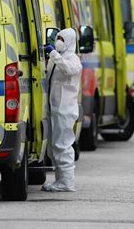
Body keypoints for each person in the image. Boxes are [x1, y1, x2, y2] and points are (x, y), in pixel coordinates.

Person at [42, 28, 82, 192]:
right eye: (57, 38)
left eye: (61, 39)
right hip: (55, 109)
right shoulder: (56, 59)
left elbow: (69, 70)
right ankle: (60, 180)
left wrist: (54, 55)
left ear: (70, 42)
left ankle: (67, 182)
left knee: (63, 145)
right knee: (54, 147)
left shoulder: (73, 59)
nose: (58, 41)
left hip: (65, 109)